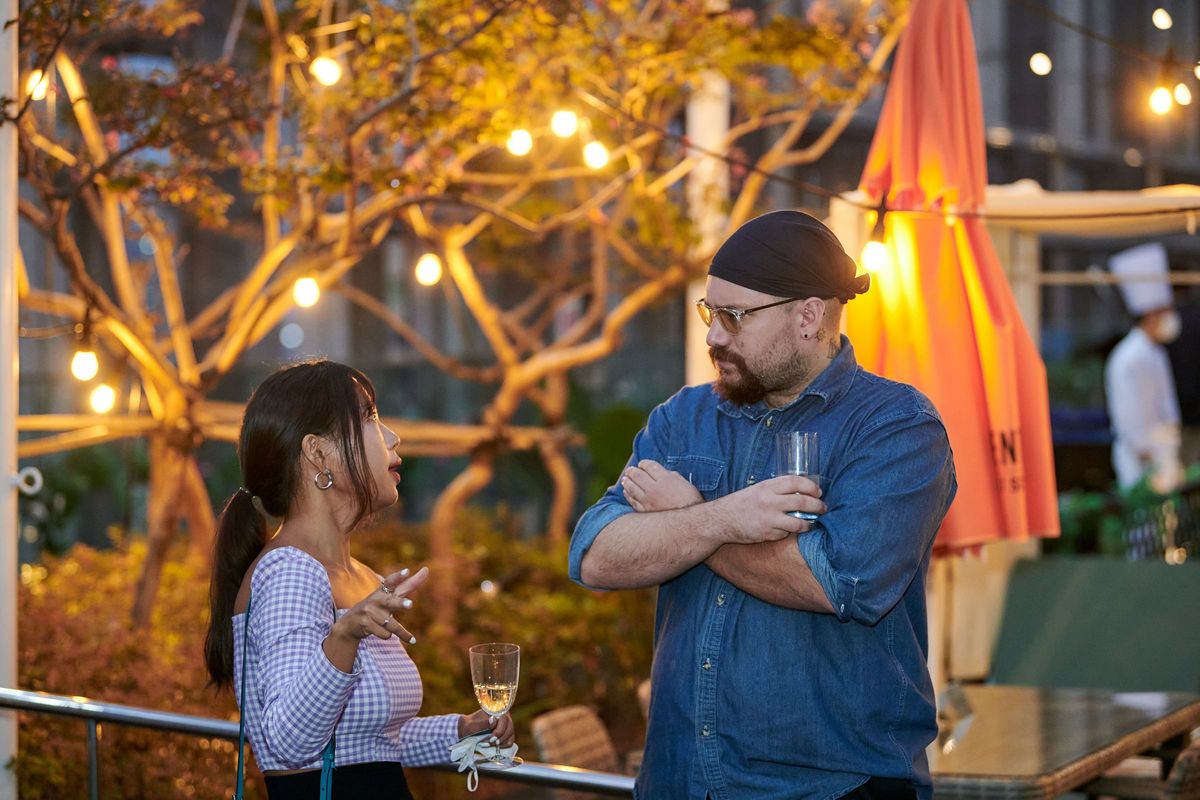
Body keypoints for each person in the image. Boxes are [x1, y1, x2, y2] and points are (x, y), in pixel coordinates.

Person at [569, 210, 957, 800]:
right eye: (710, 312)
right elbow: (594, 555)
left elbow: (839, 584)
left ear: (807, 317)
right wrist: (723, 518)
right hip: (679, 781)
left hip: (833, 787)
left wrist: (685, 518)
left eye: (735, 316)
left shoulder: (896, 426)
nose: (713, 336)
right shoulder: (683, 417)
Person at [204, 359, 513, 799]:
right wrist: (344, 637)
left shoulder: (362, 577)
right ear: (318, 453)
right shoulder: (289, 571)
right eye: (369, 417)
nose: (392, 436)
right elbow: (287, 743)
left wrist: (464, 729)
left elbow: (373, 745)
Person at [1104, 243, 1184, 493]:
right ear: (1150, 316)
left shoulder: (1155, 352)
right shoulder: (1129, 357)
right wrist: (1147, 454)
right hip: (1141, 458)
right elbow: (1129, 415)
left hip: (1164, 453)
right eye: (1165, 311)